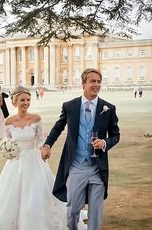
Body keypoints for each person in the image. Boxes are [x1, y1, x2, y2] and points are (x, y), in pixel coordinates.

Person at [0, 86, 86, 230]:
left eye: (28, 100)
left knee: (38, 193)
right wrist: (7, 150)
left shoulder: (36, 119)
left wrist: (45, 149)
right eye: (22, 100)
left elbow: (40, 141)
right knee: (11, 196)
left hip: (34, 161)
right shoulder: (8, 122)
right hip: (15, 163)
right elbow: (7, 141)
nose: (26, 103)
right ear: (15, 101)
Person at [41, 68, 120, 230]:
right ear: (83, 83)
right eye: (93, 81)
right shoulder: (70, 106)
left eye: (99, 82)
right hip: (76, 166)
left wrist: (104, 143)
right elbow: (58, 127)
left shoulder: (108, 108)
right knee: (72, 211)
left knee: (96, 212)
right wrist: (47, 145)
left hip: (97, 169)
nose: (96, 85)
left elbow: (115, 135)